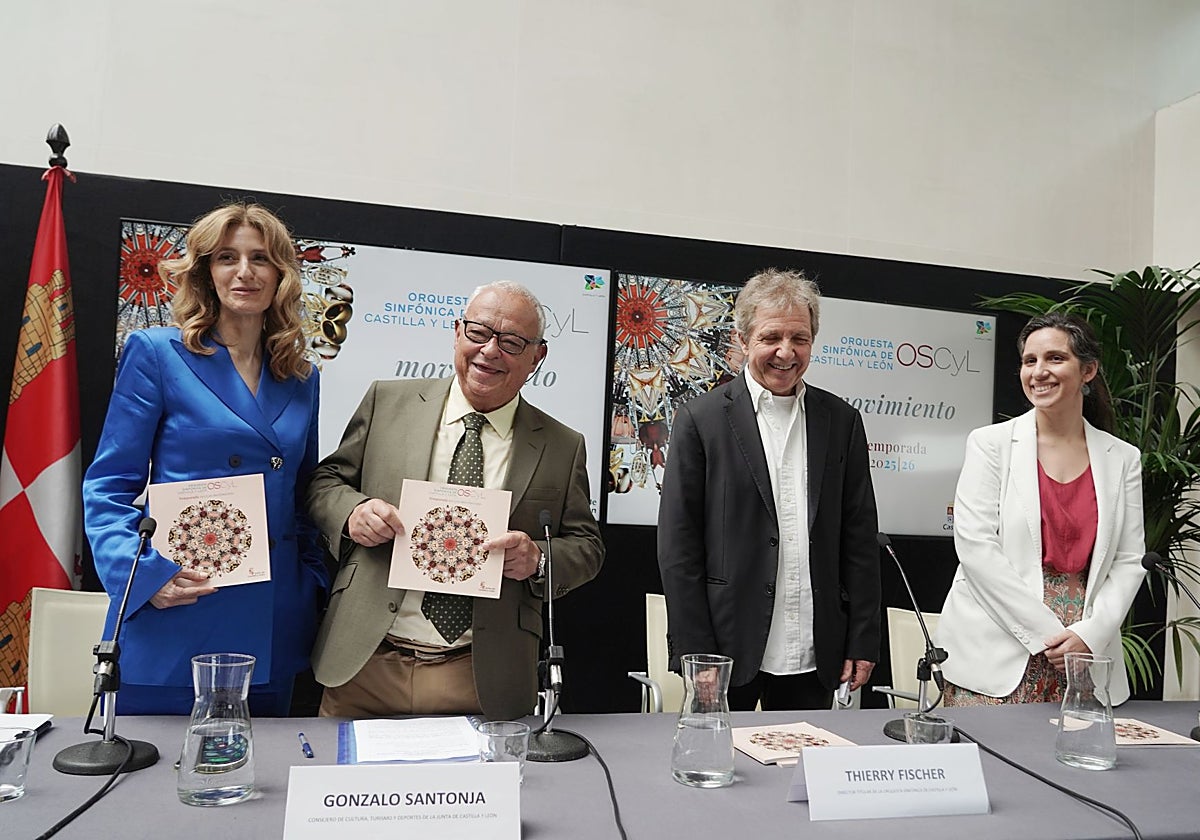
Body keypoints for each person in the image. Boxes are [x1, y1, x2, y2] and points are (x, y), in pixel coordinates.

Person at [307, 280, 604, 720]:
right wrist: (352, 513)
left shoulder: (563, 445)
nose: (489, 351)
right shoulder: (386, 402)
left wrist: (538, 559)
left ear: (536, 357)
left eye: (511, 342)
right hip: (365, 663)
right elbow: (326, 481)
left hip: (481, 674)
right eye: (478, 333)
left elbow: (587, 546)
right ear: (457, 332)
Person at [83, 202, 329, 715]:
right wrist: (144, 576)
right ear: (204, 271)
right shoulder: (156, 353)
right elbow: (107, 485)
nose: (244, 272)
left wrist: (311, 581)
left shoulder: (303, 377)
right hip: (177, 606)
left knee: (258, 787)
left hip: (273, 621)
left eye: (260, 258)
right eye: (226, 258)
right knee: (147, 789)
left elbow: (305, 494)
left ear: (281, 274)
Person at [657, 268, 880, 711]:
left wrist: (863, 639)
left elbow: (860, 540)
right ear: (743, 341)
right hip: (724, 649)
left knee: (801, 773)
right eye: (770, 337)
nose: (786, 352)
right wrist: (695, 651)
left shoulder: (842, 422)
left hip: (816, 650)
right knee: (724, 771)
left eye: (799, 338)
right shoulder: (700, 422)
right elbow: (678, 547)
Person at [937, 312, 1146, 706]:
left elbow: (1129, 559)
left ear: (1088, 370)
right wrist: (1046, 634)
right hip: (997, 651)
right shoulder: (990, 444)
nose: (1038, 372)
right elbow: (976, 548)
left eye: (1054, 358)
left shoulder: (1122, 458)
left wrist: (1088, 635)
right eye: (1029, 361)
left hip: (1085, 655)